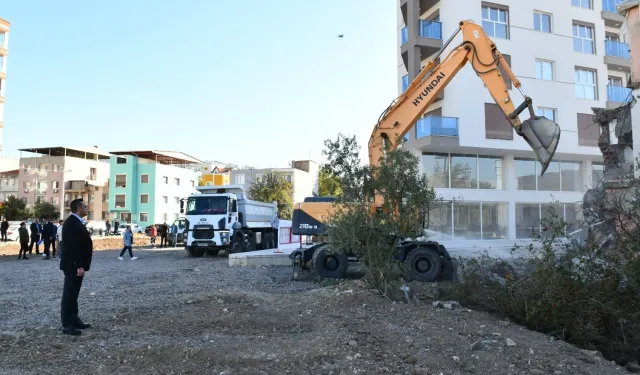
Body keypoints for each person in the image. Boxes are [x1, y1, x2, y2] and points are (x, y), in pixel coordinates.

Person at [60, 199, 93, 336]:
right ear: (79, 208)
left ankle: (74, 319)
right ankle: (67, 324)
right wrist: (78, 265)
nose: (87, 208)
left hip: (76, 265)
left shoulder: (75, 222)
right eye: (85, 206)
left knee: (74, 294)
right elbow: (72, 247)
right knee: (69, 294)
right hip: (73, 266)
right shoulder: (72, 223)